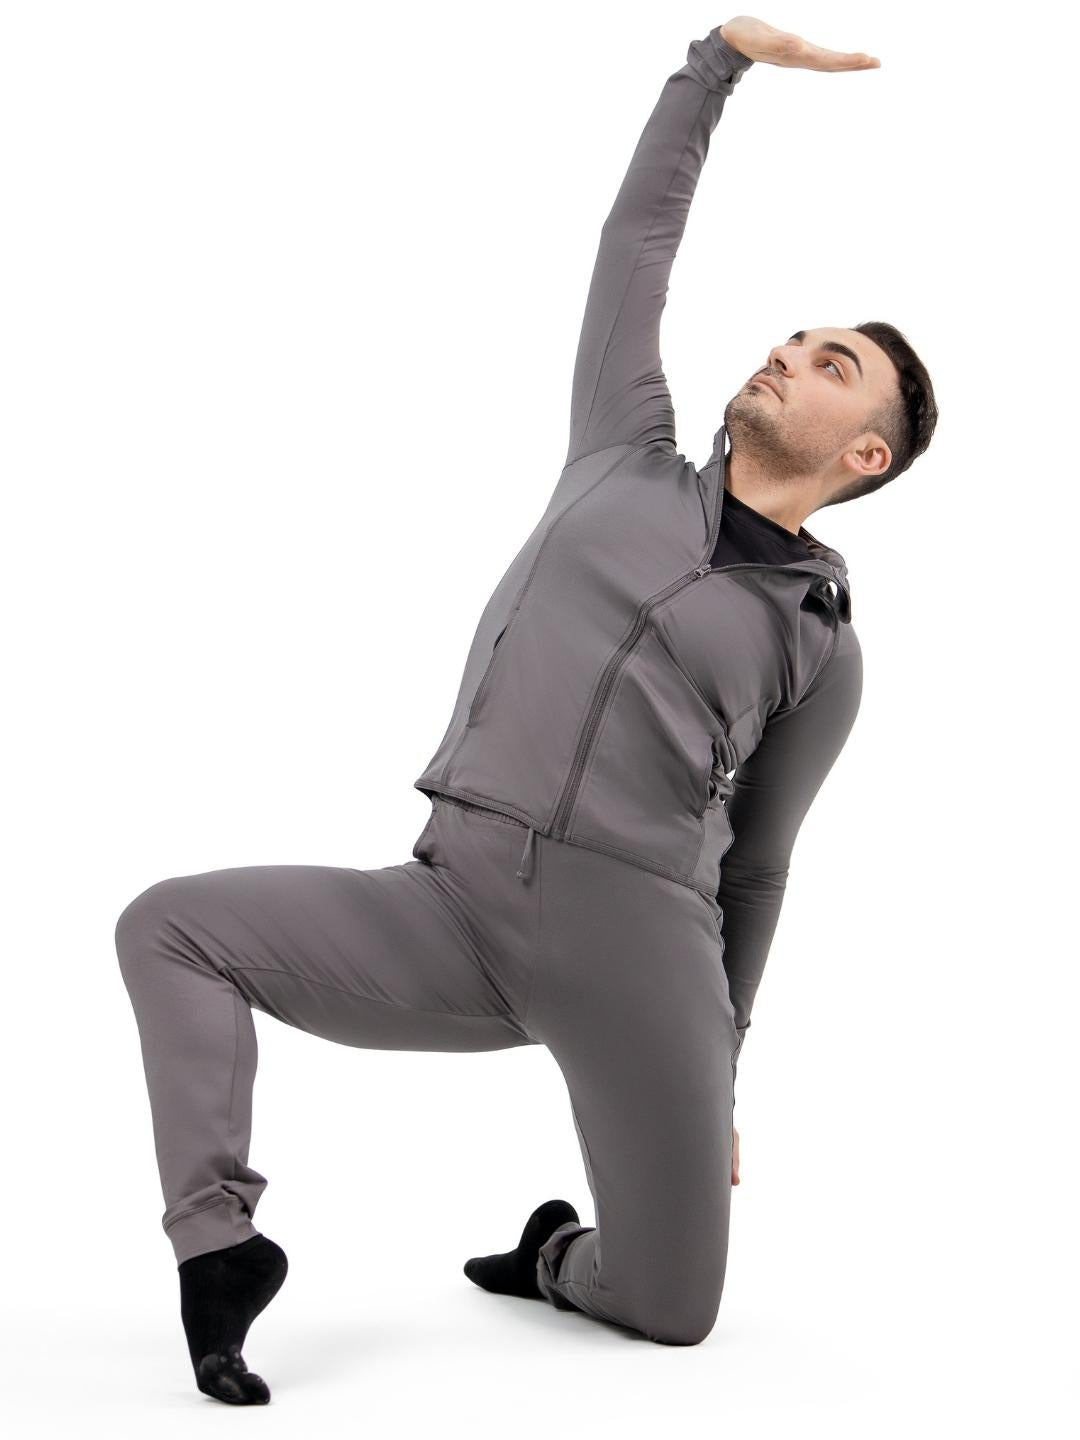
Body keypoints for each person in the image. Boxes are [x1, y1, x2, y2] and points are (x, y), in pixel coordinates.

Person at [115, 15, 938, 1405]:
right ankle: (221, 1246)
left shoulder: (823, 649)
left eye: (830, 362)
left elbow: (760, 864)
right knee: (172, 927)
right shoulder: (620, 449)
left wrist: (721, 1068)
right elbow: (637, 243)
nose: (789, 353)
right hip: (459, 905)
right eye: (797, 336)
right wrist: (717, 64)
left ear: (864, 453)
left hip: (647, 961)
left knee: (674, 1313)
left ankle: (557, 1254)